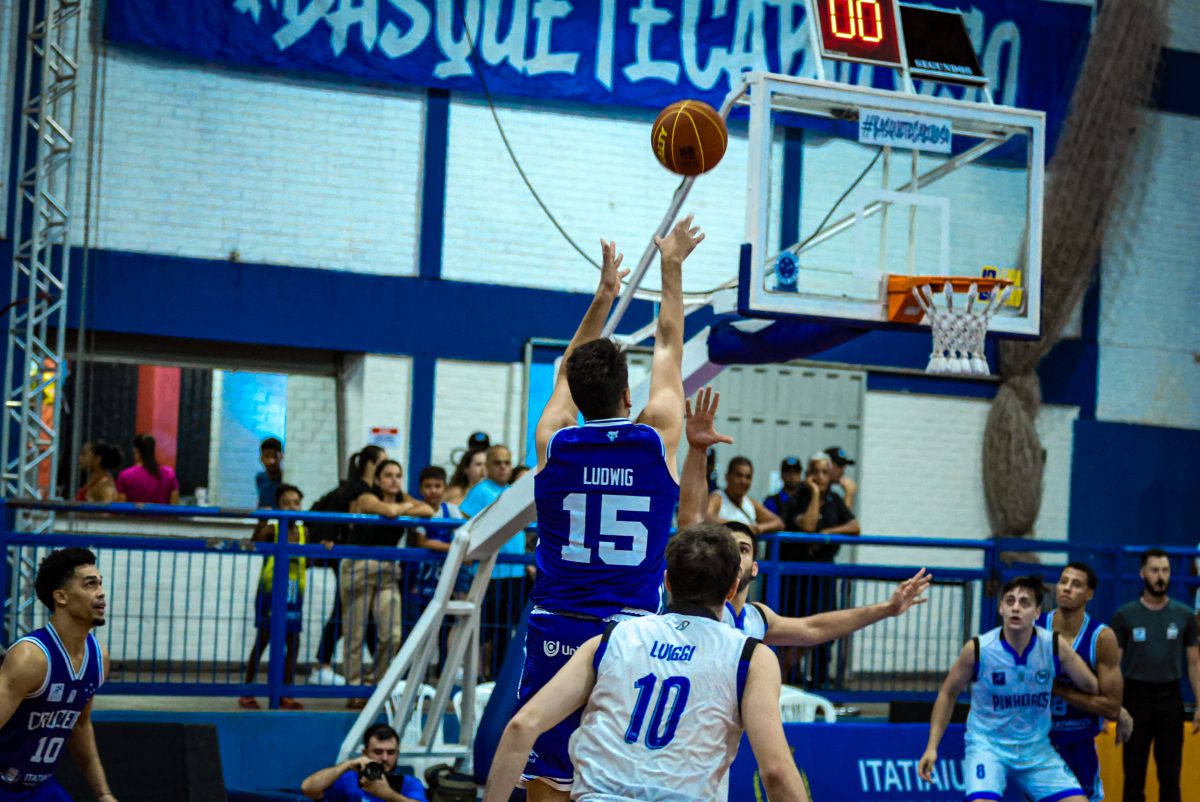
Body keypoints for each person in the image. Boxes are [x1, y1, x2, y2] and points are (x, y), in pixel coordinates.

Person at [520, 221, 702, 801]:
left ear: (576, 396)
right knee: (622, 779)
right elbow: (669, 344)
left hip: (558, 625)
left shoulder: (554, 440)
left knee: (547, 776)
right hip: (630, 634)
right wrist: (671, 265)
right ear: (629, 395)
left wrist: (604, 296)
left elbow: (565, 370)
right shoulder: (657, 437)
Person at [483, 524, 809, 802]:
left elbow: (522, 726)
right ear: (733, 588)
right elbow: (776, 773)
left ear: (667, 582)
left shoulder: (612, 639)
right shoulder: (751, 656)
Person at [677, 389, 931, 651]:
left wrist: (887, 608)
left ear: (755, 568)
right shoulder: (702, 604)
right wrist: (697, 450)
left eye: (743, 549)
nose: (733, 555)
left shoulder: (758, 618)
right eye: (728, 548)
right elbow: (690, 520)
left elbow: (812, 628)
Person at [918, 576, 1099, 802]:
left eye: (1024, 603)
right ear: (1001, 608)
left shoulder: (1053, 646)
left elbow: (1091, 685)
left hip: (1036, 750)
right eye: (1010, 601)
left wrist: (1116, 710)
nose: (1016, 608)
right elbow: (947, 693)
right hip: (988, 747)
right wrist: (932, 747)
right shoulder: (979, 649)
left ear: (1037, 613)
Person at [0, 548, 118, 801]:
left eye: (100, 583)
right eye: (90, 584)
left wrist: (103, 793)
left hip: (41, 787)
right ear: (61, 597)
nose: (101, 592)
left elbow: (80, 725)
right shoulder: (31, 657)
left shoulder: (99, 658)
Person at [341, 458, 434, 708]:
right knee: (355, 633)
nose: (394, 480)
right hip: (359, 568)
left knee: (392, 635)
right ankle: (354, 689)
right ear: (378, 480)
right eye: (388, 475)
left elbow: (428, 510)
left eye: (398, 475)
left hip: (387, 571)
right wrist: (406, 507)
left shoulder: (402, 498)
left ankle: (380, 687)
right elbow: (388, 512)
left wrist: (402, 506)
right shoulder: (366, 497)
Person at [1110, 549, 1200, 802]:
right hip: (1136, 698)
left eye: (1165, 570)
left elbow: (1194, 662)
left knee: (1170, 777)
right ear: (1142, 573)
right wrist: (1113, 706)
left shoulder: (1184, 616)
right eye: (1155, 570)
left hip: (1170, 699)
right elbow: (1113, 665)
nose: (1160, 576)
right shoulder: (1125, 615)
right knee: (1133, 776)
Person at [1037, 562, 1131, 802]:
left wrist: (1059, 689)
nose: (1066, 588)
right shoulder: (1034, 629)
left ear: (1089, 594)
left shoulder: (1101, 638)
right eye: (1063, 581)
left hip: (1079, 744)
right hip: (1039, 745)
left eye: (1076, 584)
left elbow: (1111, 707)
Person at [783, 451, 861, 687]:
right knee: (797, 633)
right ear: (808, 475)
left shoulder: (835, 500)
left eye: (825, 472)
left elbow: (854, 526)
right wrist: (815, 493)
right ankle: (787, 681)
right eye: (815, 472)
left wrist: (826, 533)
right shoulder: (799, 498)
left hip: (824, 578)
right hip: (799, 579)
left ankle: (820, 683)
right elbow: (808, 527)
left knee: (827, 631)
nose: (820, 477)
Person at [240, 484, 308, 711]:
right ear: (278, 506)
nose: (292, 507)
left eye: (296, 503)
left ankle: (285, 692)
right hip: (271, 592)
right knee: (264, 638)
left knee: (293, 641)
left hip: (294, 593)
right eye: (286, 503)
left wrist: (326, 547)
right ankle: (247, 690)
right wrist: (261, 520)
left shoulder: (304, 532)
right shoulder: (273, 529)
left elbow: (310, 561)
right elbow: (254, 544)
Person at [461, 446, 525, 679]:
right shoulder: (480, 491)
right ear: (487, 467)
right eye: (497, 463)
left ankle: (496, 677)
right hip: (490, 572)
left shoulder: (513, 491)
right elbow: (465, 524)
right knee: (485, 628)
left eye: (507, 463)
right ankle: (475, 675)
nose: (503, 467)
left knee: (505, 629)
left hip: (514, 572)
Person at [300, 723, 427, 802]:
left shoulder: (409, 783)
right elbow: (308, 788)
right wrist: (347, 765)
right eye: (378, 752)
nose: (384, 758)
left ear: (397, 754)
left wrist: (387, 794)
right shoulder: (349, 780)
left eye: (391, 752)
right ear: (365, 753)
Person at [706, 456, 784, 535]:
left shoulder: (751, 503)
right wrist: (742, 527)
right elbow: (707, 517)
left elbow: (778, 523)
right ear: (727, 477)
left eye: (748, 477)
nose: (743, 481)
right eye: (739, 476)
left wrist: (758, 528)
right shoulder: (717, 497)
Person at [115, 433, 178, 504]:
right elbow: (174, 506)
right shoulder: (169, 474)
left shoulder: (125, 476)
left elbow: (120, 507)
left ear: (136, 451)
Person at [256, 437, 284, 509]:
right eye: (267, 456)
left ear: (281, 456)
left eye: (275, 456)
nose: (271, 461)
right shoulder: (260, 478)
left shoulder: (285, 478)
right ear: (261, 458)